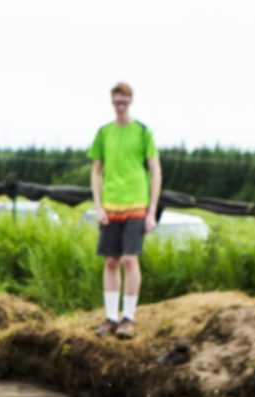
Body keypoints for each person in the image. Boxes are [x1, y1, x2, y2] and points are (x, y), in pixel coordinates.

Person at [89, 82, 161, 341]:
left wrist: (151, 210)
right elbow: (96, 171)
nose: (120, 107)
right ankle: (110, 317)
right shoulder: (104, 133)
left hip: (136, 204)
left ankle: (128, 318)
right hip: (111, 205)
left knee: (130, 259)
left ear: (130, 102)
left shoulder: (143, 132)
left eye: (124, 102)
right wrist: (98, 205)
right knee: (110, 261)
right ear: (112, 102)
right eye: (117, 102)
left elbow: (155, 170)